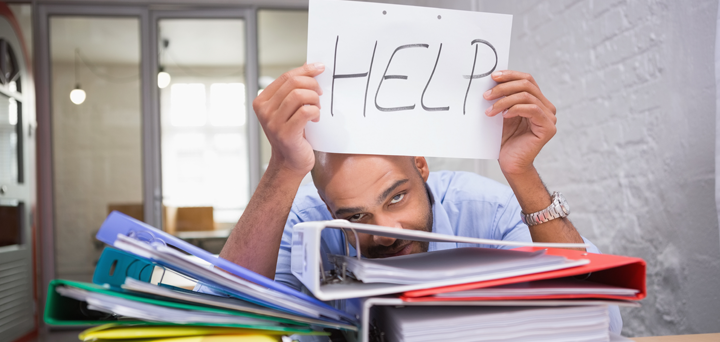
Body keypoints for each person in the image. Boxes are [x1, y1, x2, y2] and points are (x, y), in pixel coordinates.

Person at [214, 63, 622, 332]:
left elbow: (602, 321)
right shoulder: (306, 223)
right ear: (325, 205)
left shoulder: (484, 211)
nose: (385, 233)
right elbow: (220, 323)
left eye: (395, 198)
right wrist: (282, 168)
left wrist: (522, 172)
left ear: (421, 166)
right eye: (354, 218)